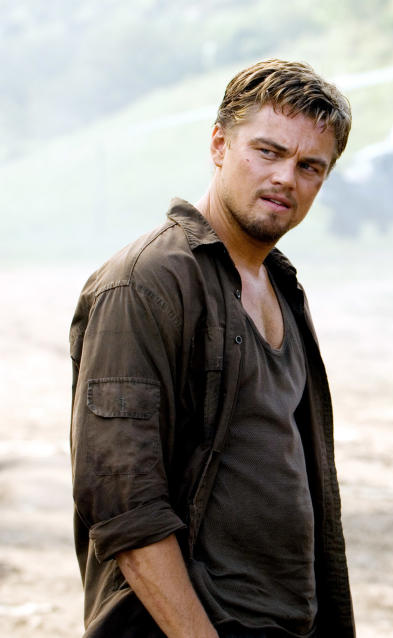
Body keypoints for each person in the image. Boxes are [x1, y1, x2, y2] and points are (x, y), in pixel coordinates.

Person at [69, 59, 355, 638]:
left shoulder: (283, 287)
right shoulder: (146, 281)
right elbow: (124, 503)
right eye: (267, 152)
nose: (285, 179)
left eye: (309, 166)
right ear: (220, 144)